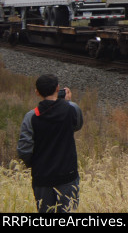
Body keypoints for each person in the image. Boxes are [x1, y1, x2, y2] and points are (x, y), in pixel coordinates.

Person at [18, 74, 84, 213]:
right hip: (68, 175)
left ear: (37, 92)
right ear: (58, 88)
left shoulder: (31, 117)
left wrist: (36, 164)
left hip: (42, 177)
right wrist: (67, 102)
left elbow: (24, 150)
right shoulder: (72, 109)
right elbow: (76, 125)